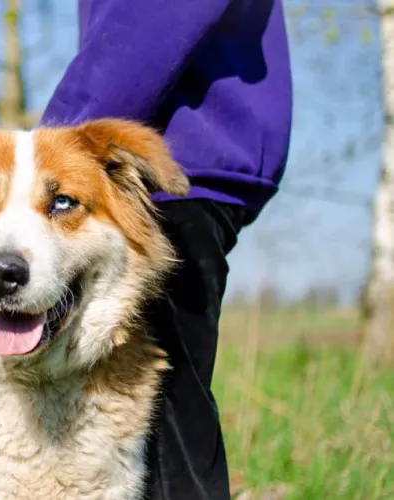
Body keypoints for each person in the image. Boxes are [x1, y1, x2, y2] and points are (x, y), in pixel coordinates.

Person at [39, 1, 293, 499]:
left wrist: (52, 140)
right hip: (159, 163)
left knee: (158, 421)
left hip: (159, 171)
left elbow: (155, 15)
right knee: (153, 414)